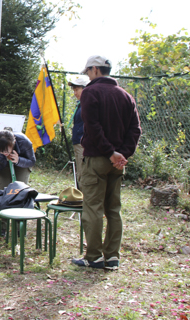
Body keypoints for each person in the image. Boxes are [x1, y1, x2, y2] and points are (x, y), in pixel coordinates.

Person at [72, 55, 141, 271]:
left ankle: (93, 257)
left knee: (92, 207)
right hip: (117, 162)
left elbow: (91, 127)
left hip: (97, 158)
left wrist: (110, 153)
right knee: (113, 208)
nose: (87, 76)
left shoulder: (91, 92)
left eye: (88, 72)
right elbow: (135, 129)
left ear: (95, 69)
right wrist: (122, 155)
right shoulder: (126, 96)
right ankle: (112, 257)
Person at [0, 130, 36, 194]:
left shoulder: (24, 142)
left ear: (14, 142)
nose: (4, 152)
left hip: (22, 164)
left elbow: (32, 161)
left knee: (20, 190)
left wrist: (19, 160)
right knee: (4, 192)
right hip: (2, 164)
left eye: (6, 150)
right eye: (1, 151)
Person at [68, 77, 89, 189]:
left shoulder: (88, 104)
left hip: (83, 144)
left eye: (77, 90)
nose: (75, 93)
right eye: (74, 90)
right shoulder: (80, 104)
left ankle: (83, 200)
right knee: (80, 172)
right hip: (78, 143)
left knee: (83, 173)